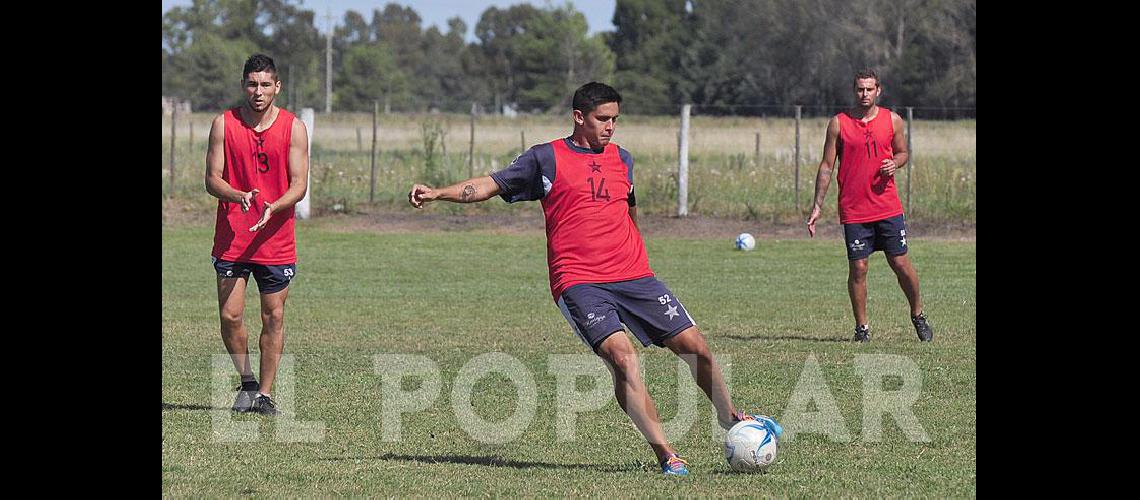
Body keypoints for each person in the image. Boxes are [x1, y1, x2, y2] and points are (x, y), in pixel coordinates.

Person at [408, 82, 781, 476]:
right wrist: (438, 194)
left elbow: (629, 209)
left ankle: (731, 418)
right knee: (624, 359)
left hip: (635, 276)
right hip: (580, 282)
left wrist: (639, 258)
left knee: (697, 348)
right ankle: (666, 454)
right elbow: (489, 184)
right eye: (603, 119)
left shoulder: (622, 159)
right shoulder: (545, 158)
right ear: (579, 117)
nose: (611, 127)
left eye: (616, 119)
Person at [204, 54, 310, 415]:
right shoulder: (223, 124)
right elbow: (212, 179)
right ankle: (247, 383)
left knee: (273, 316)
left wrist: (275, 205)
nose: (258, 91)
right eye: (252, 84)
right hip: (233, 236)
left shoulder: (294, 128)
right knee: (230, 315)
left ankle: (264, 394)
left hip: (276, 238)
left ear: (277, 87)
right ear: (243, 86)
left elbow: (300, 185)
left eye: (266, 84)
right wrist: (237, 194)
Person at [806, 69, 933, 343]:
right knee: (859, 268)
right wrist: (817, 206)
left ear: (879, 91)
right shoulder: (838, 124)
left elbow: (903, 153)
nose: (864, 94)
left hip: (887, 207)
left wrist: (895, 163)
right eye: (860, 90)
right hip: (854, 211)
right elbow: (827, 166)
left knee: (900, 263)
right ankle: (862, 329)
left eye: (869, 89)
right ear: (854, 91)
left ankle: (918, 314)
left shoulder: (893, 120)